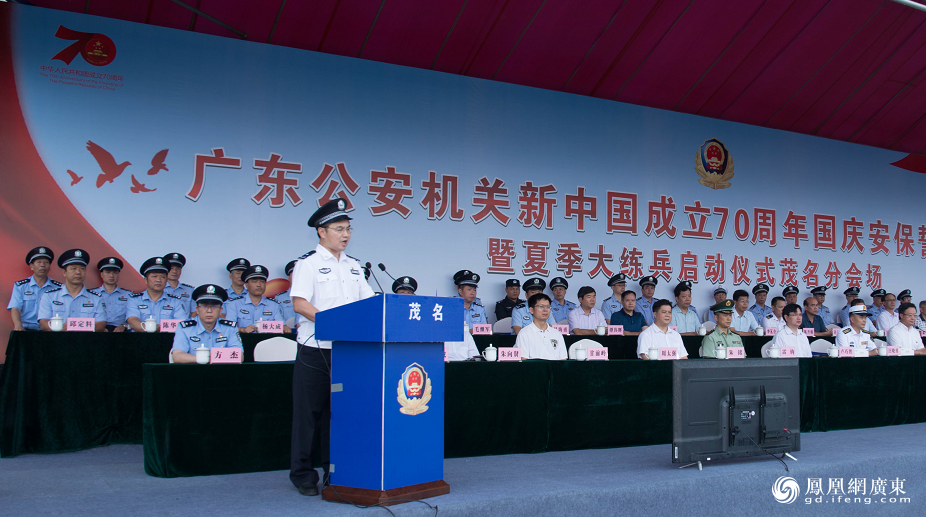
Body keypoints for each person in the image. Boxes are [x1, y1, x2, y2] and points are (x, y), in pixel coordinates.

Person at [290, 198, 375, 496]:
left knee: (339, 415)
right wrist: (332, 322)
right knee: (309, 414)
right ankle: (302, 474)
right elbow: (300, 302)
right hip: (315, 349)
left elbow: (371, 302)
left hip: (348, 351)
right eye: (339, 229)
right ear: (321, 231)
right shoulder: (307, 264)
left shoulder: (354, 267)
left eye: (348, 229)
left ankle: (333, 472)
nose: (346, 234)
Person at [37, 249, 106, 332]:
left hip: (86, 341)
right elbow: (43, 323)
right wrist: (60, 328)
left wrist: (72, 326)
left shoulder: (96, 298)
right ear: (64, 272)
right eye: (73, 268)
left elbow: (101, 323)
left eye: (82, 269)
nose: (78, 272)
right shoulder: (49, 296)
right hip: (57, 341)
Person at [171, 284, 242, 363]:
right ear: (197, 310)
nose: (209, 311)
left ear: (221, 310)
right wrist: (205, 359)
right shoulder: (184, 328)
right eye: (204, 306)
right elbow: (177, 356)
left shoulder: (230, 328)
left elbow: (239, 356)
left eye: (214, 307)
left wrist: (212, 358)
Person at [127, 257, 186, 332]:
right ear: (146, 280)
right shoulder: (134, 299)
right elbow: (133, 321)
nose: (158, 280)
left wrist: (161, 328)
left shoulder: (175, 301)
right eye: (154, 276)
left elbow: (181, 323)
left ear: (166, 280)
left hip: (167, 341)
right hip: (140, 340)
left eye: (162, 277)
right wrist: (151, 328)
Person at [8, 246, 61, 331]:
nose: (42, 265)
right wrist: (18, 326)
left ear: (50, 267)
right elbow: (15, 308)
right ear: (31, 266)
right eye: (39, 262)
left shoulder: (58, 288)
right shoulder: (21, 286)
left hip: (50, 331)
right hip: (26, 330)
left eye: (46, 262)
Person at [223, 265, 288, 333]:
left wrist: (284, 328)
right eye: (254, 281)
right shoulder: (234, 304)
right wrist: (243, 329)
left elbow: (281, 327)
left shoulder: (274, 305)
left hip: (267, 342)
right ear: (247, 285)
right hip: (243, 341)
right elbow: (228, 328)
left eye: (262, 281)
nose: (259, 285)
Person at [513, 293, 567, 360]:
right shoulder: (524, 333)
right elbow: (523, 360)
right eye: (541, 306)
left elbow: (563, 359)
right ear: (531, 310)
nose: (545, 310)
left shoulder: (556, 333)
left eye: (548, 307)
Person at [90, 257, 132, 332]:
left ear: (118, 274)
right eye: (107, 272)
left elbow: (133, 316)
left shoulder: (128, 295)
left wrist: (124, 326)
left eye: (114, 272)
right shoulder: (91, 294)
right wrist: (99, 327)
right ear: (102, 274)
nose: (111, 275)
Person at [273, 260, 298, 331]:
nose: (298, 276)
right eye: (294, 273)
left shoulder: (313, 296)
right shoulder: (280, 297)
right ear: (289, 277)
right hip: (287, 334)